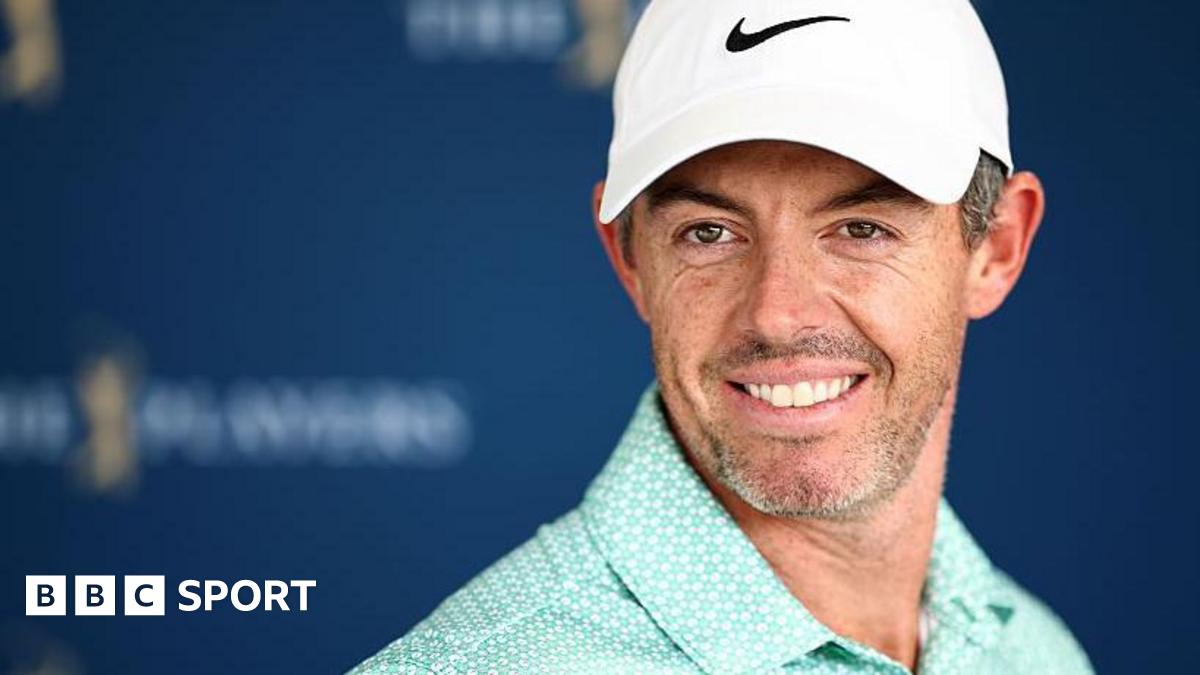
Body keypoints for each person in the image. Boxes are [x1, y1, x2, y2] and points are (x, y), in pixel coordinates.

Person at [351, 0, 1094, 672]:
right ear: (631, 259)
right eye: (709, 233)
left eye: (861, 228)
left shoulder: (1033, 651)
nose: (777, 312)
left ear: (996, 247)